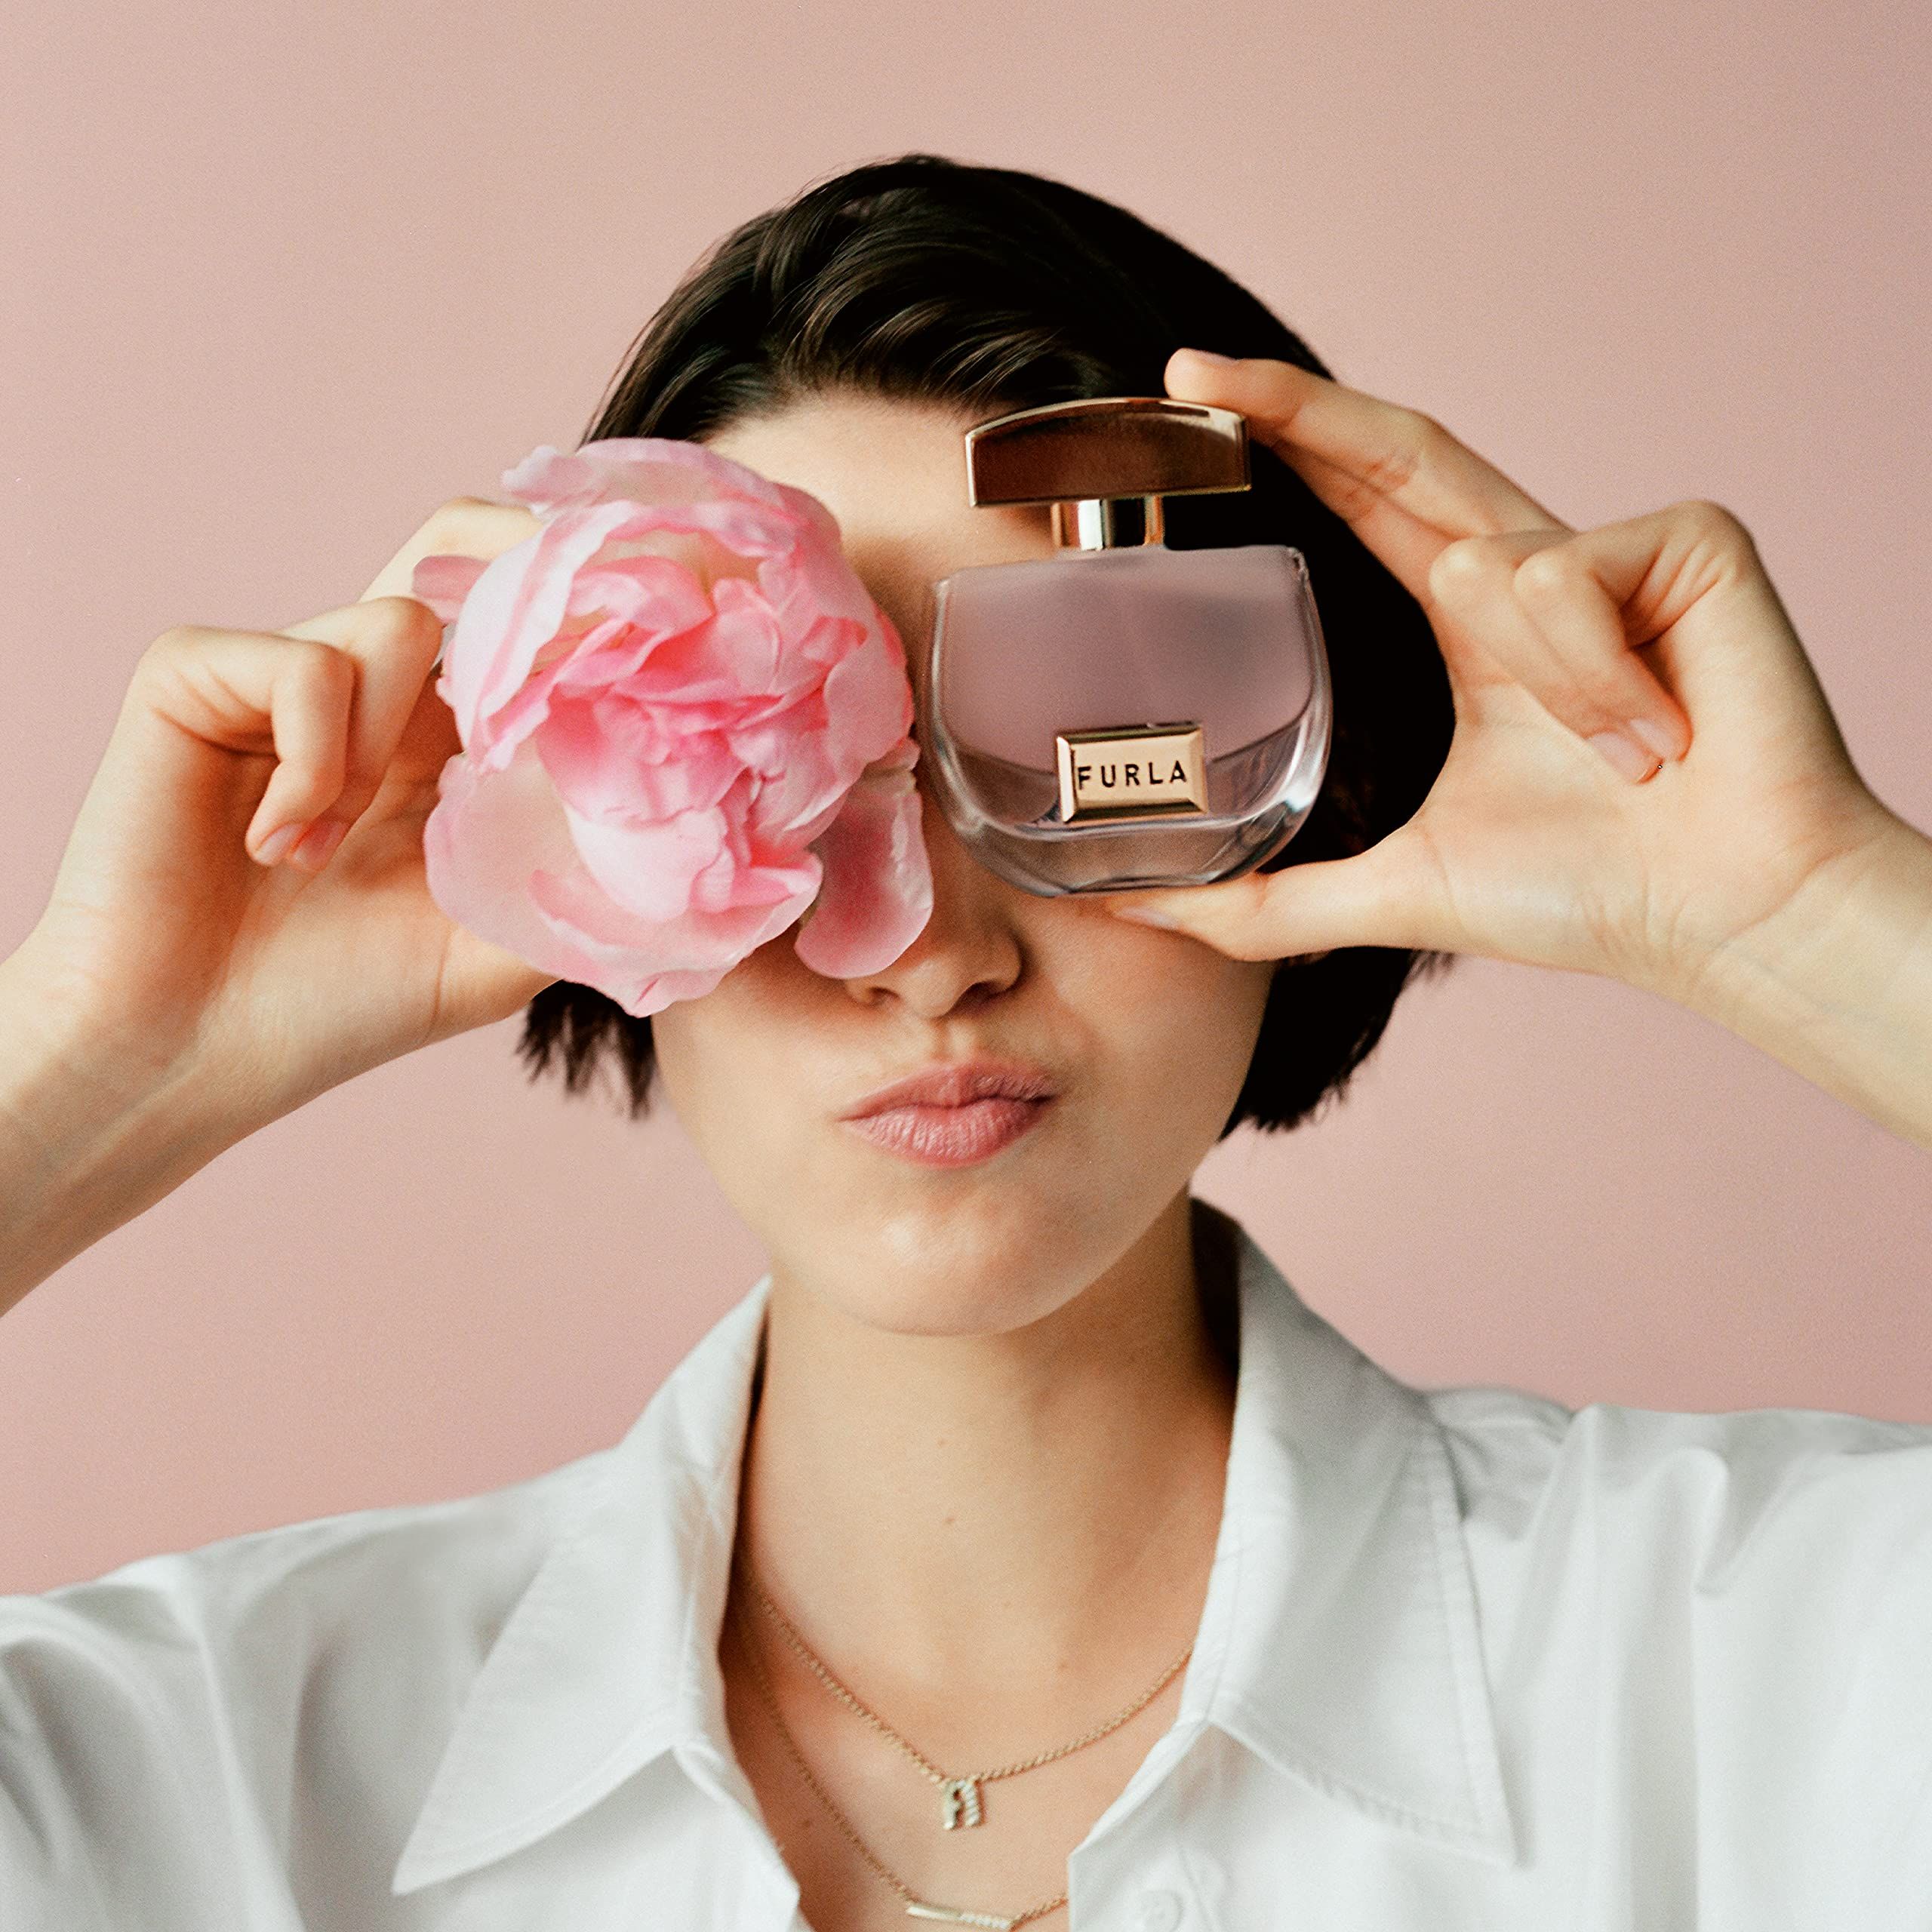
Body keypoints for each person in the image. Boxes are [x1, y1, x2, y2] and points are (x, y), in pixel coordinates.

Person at [2, 152, 1928, 1932]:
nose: (924, 945)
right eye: (772, 769)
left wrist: (1812, 924)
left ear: (1310, 781)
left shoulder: (1787, 1658)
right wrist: (94, 1077)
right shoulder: (188, 1773)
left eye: (1098, 744)